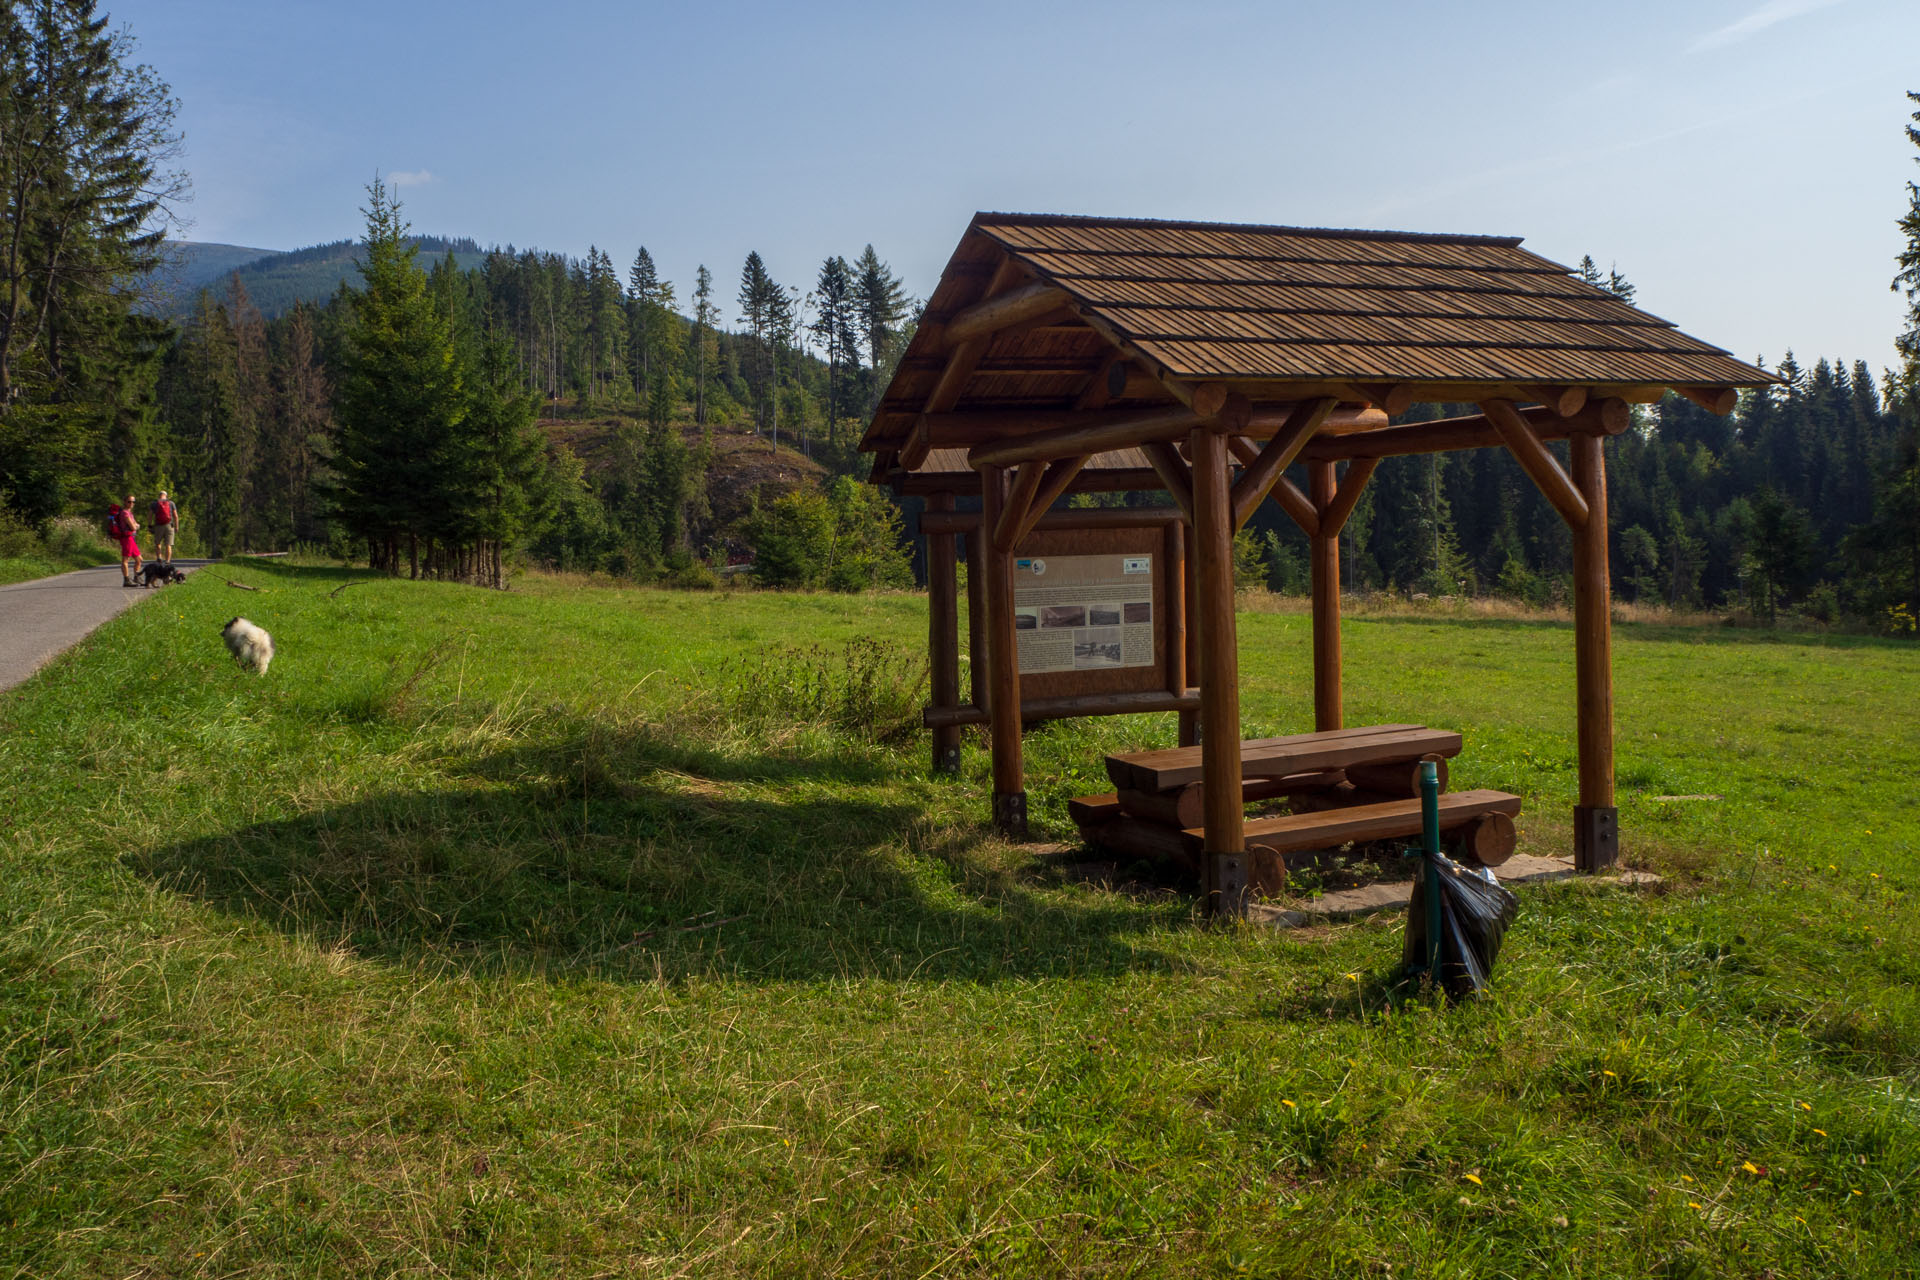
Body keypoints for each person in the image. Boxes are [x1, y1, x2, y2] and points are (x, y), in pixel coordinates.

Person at [108, 494, 142, 586]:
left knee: (139, 559)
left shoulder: (129, 513)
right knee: (125, 559)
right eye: (129, 501)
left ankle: (136, 577)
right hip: (126, 538)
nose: (131, 503)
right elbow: (133, 526)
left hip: (131, 538)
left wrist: (135, 526)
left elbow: (135, 525)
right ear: (125, 502)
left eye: (133, 502)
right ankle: (126, 579)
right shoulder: (125, 513)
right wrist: (136, 526)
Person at [149, 489, 179, 562]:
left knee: (158, 543)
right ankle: (167, 561)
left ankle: (159, 557)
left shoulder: (154, 503)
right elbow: (175, 516)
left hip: (158, 526)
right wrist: (176, 526)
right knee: (168, 545)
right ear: (166, 496)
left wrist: (149, 525)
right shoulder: (171, 503)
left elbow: (150, 515)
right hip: (169, 525)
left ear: (159, 496)